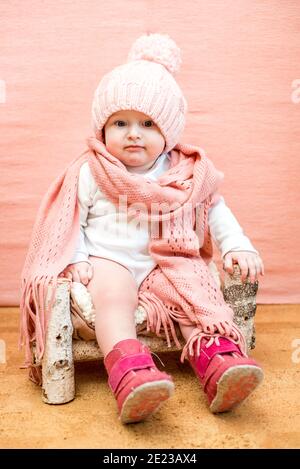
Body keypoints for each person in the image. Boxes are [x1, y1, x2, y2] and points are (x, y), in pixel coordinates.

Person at [20, 33, 264, 424]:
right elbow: (70, 222)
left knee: (189, 292)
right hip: (108, 259)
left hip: (166, 261)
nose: (134, 133)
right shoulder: (92, 171)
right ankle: (131, 373)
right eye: (120, 122)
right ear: (103, 129)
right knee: (114, 299)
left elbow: (215, 210)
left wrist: (236, 244)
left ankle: (218, 361)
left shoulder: (185, 172)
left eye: (148, 123)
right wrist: (79, 259)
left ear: (168, 130)